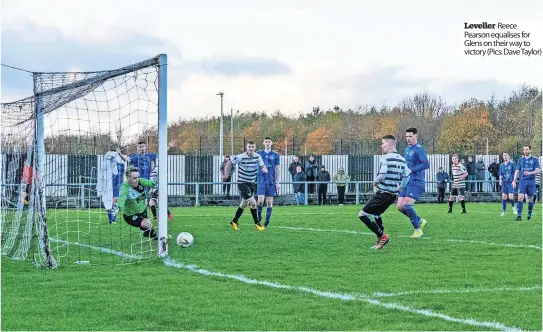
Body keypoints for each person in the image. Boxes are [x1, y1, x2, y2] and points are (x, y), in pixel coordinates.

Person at [357, 135, 408, 250]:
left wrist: (376, 181)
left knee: (362, 214)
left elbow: (383, 173)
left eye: (383, 143)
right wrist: (401, 186)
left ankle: (382, 236)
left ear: (389, 144)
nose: (382, 146)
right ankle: (380, 241)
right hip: (393, 195)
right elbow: (407, 176)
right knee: (376, 215)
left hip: (383, 193)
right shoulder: (402, 159)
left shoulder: (385, 158)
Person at [396, 128, 429, 239]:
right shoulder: (407, 149)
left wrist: (412, 170)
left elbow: (426, 165)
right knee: (400, 207)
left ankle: (418, 230)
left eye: (410, 136)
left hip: (417, 181)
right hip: (408, 181)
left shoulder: (420, 149)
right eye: (406, 136)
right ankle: (420, 220)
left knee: (407, 205)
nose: (408, 139)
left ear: (416, 136)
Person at [229, 141, 268, 231]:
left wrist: (264, 169)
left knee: (244, 203)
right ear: (246, 147)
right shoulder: (240, 157)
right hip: (242, 183)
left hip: (252, 182)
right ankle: (257, 223)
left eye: (252, 147)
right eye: (249, 147)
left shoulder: (257, 156)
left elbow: (262, 166)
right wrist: (226, 174)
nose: (251, 148)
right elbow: (230, 162)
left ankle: (234, 221)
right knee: (254, 203)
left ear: (255, 148)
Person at [118, 166, 164, 240]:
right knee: (148, 225)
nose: (137, 180)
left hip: (143, 212)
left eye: (138, 177)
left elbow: (152, 183)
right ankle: (155, 237)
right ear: (128, 178)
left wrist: (158, 183)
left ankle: (150, 234)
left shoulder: (141, 181)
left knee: (148, 227)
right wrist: (117, 208)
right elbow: (120, 202)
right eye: (134, 178)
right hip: (130, 216)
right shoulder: (124, 188)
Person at [256, 137, 280, 227]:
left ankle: (267, 221)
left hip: (271, 181)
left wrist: (277, 182)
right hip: (261, 181)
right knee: (261, 201)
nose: (267, 143)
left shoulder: (276, 155)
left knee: (269, 202)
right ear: (263, 143)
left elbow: (277, 169)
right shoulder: (258, 154)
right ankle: (259, 217)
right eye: (266, 141)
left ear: (271, 143)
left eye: (269, 141)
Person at [512, 145, 541, 221]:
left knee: (531, 199)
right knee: (520, 197)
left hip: (531, 181)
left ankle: (529, 214)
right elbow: (517, 171)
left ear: (530, 150)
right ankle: (519, 216)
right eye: (524, 150)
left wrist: (530, 173)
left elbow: (538, 170)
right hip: (522, 181)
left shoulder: (535, 159)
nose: (525, 151)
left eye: (527, 149)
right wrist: (514, 181)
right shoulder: (520, 160)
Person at [96, 149, 122, 224]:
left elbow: (118, 181)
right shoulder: (105, 170)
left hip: (115, 189)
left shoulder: (117, 169)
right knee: (108, 204)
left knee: (115, 204)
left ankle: (113, 219)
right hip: (107, 189)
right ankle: (111, 219)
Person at [499, 152, 517, 216]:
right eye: (504, 155)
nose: (505, 156)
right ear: (503, 156)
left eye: (506, 155)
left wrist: (514, 181)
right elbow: (501, 174)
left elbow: (515, 173)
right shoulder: (501, 165)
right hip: (504, 183)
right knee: (504, 197)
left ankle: (513, 208)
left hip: (510, 182)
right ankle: (504, 211)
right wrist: (500, 180)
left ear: (509, 156)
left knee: (511, 197)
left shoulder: (512, 164)